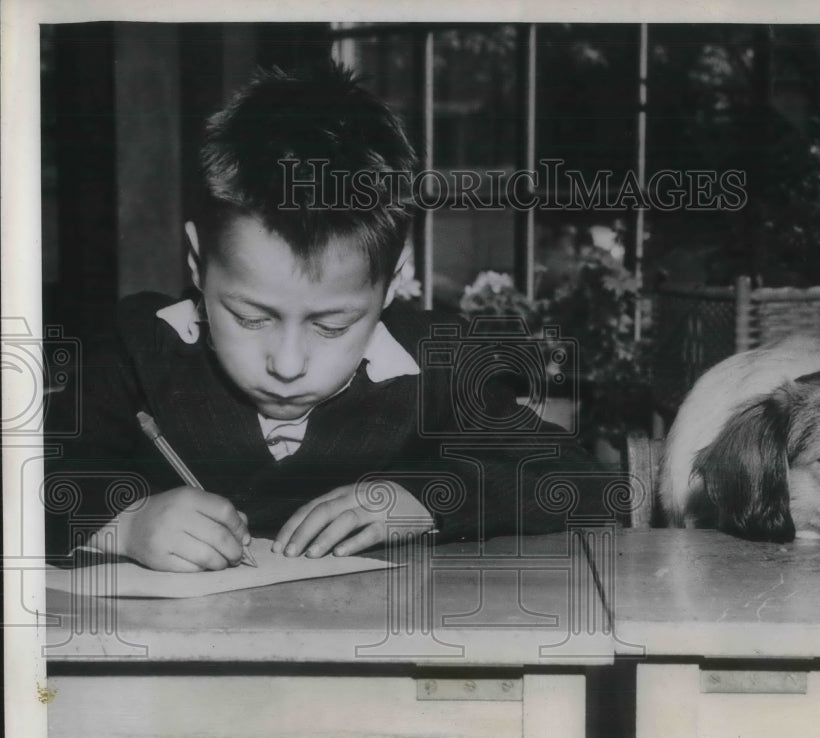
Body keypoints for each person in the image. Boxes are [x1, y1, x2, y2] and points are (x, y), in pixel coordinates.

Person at [44, 62, 609, 571]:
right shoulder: (139, 348)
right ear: (197, 262)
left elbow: (582, 482)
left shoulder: (435, 365)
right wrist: (125, 524)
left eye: (331, 326)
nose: (287, 365)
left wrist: (428, 499)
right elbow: (30, 477)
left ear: (391, 283)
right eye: (250, 317)